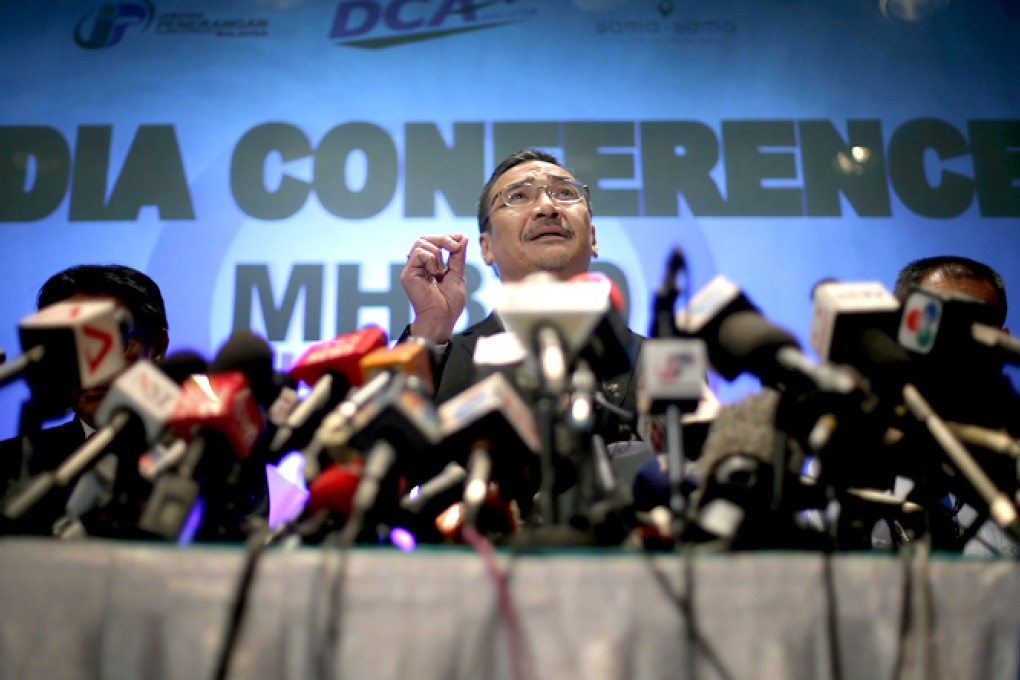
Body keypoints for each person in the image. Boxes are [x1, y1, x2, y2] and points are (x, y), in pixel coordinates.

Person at [399, 148, 640, 432]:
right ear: (486, 248)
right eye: (518, 196)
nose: (547, 208)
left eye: (564, 193)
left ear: (593, 239)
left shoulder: (654, 363)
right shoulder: (446, 364)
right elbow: (380, 458)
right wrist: (430, 328)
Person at [0, 264, 170, 535]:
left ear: (158, 347)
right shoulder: (9, 464)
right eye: (73, 348)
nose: (92, 368)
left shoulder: (207, 462)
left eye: (110, 344)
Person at [884, 255, 1020, 555]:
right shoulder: (854, 444)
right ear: (899, 334)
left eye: (974, 324)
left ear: (1002, 340)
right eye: (941, 323)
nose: (956, 344)